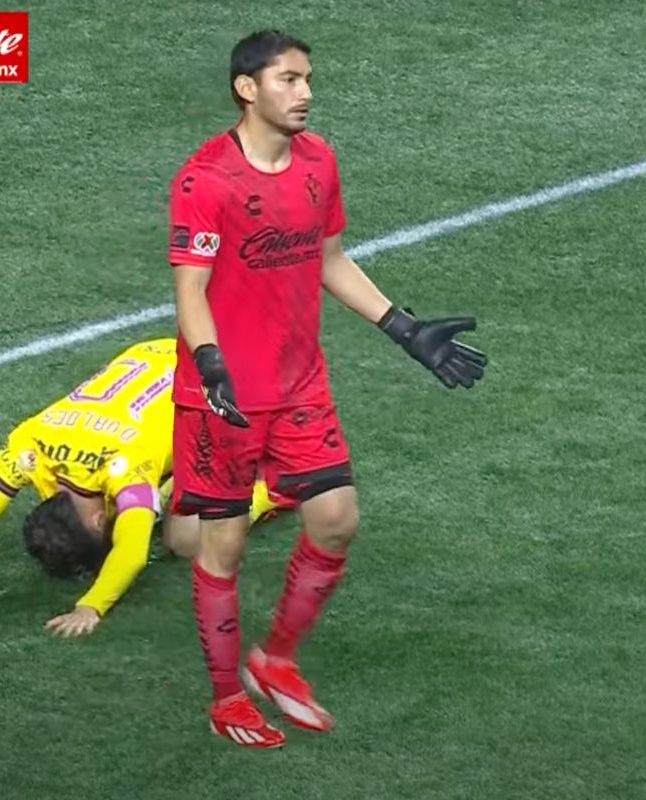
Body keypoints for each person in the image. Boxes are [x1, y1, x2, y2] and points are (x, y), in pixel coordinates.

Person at [168, 31, 487, 747]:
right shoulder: (205, 181)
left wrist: (401, 328)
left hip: (298, 383)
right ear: (247, 89)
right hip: (222, 396)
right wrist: (212, 366)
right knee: (222, 549)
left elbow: (329, 257)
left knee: (337, 518)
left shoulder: (318, 162)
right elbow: (190, 293)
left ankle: (275, 658)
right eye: (288, 79)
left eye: (308, 78)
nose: (305, 92)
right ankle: (226, 698)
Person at [0, 338, 290, 637]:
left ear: (96, 517)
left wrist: (91, 607)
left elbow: (131, 553)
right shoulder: (29, 449)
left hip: (227, 386)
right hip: (159, 354)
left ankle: (276, 486)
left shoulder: (123, 468)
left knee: (182, 540)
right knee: (162, 505)